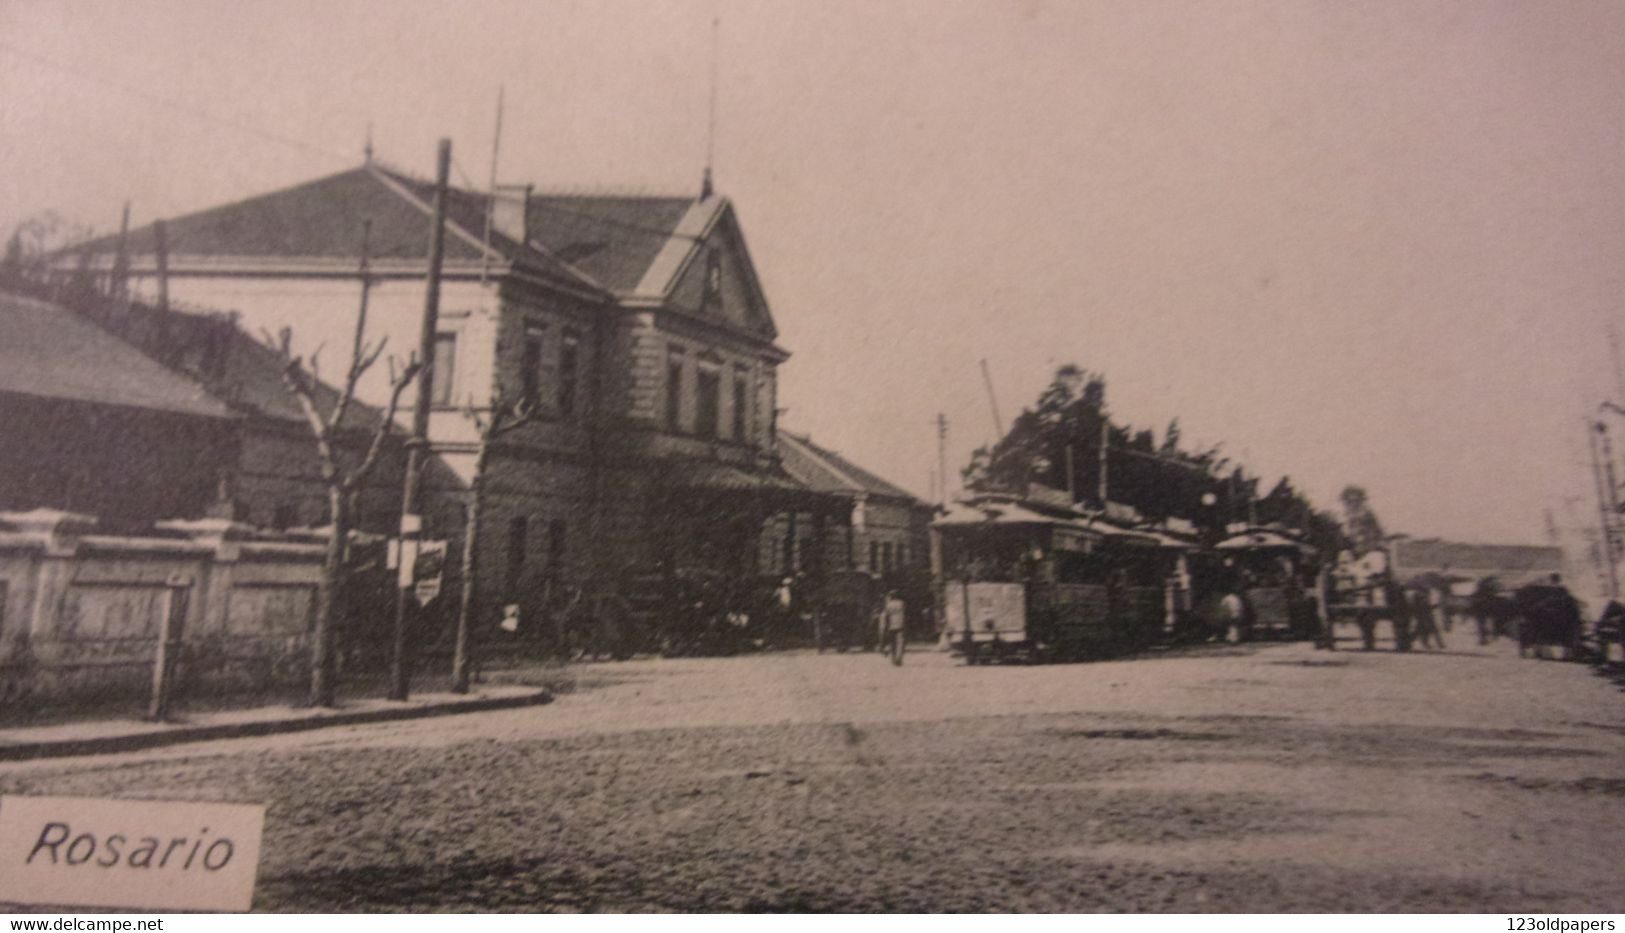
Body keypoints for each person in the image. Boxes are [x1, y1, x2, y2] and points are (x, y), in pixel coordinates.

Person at [1410, 583, 1445, 650]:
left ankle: (1437, 644)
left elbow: (1425, 606)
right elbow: (1423, 606)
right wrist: (1434, 606)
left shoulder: (1420, 596)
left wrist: (1434, 606)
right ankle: (1440, 644)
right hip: (1424, 616)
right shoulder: (1419, 596)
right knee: (1427, 630)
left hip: (1425, 615)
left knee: (1422, 631)